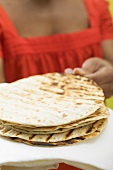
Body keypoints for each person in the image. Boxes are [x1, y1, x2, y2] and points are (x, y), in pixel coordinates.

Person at [0, 0, 113, 170]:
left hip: (93, 152)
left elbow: (110, 63)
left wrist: (106, 72)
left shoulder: (96, 5)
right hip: (23, 160)